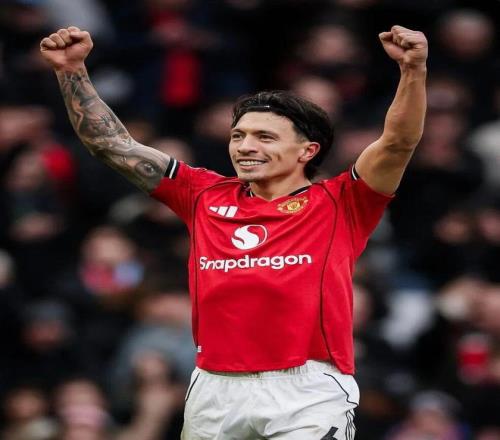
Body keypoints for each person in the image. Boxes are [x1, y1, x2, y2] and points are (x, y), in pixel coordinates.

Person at [40, 23, 427, 439]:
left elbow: (397, 143)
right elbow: (112, 145)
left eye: (264, 137)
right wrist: (72, 70)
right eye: (238, 135)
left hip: (307, 389)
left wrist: (413, 70)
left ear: (308, 150)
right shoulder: (202, 194)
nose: (245, 146)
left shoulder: (342, 202)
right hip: (214, 389)